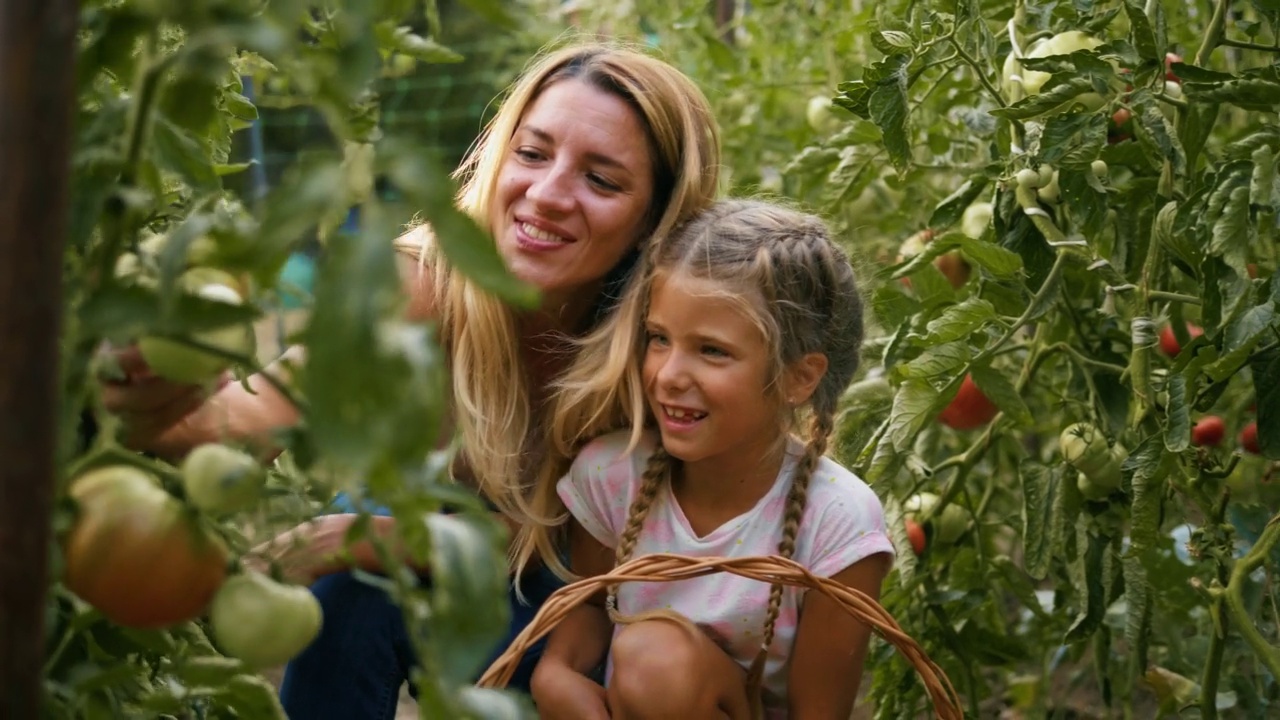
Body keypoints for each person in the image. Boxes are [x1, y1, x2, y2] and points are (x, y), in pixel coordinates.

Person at [99, 41, 722, 719]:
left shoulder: (669, 342)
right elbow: (242, 429)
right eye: (533, 153)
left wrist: (362, 536)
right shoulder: (424, 289)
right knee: (356, 587)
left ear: (650, 223)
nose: (545, 195)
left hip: (599, 634)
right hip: (469, 599)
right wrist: (145, 390)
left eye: (601, 180)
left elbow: (645, 557)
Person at [528, 199, 895, 720]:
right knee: (645, 659)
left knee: (654, 662)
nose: (669, 374)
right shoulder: (613, 474)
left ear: (798, 377)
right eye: (659, 339)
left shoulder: (838, 523)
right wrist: (556, 672)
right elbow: (592, 605)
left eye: (712, 351)